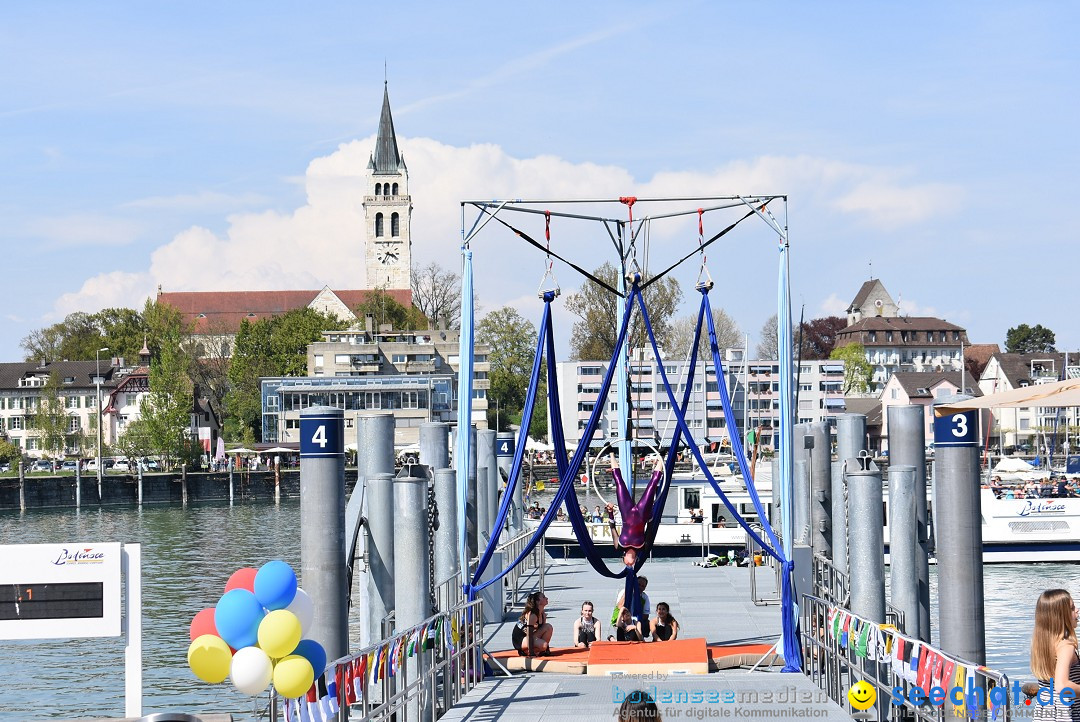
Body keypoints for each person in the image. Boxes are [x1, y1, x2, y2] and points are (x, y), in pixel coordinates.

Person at [604, 454, 665, 567]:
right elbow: (650, 528)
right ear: (636, 559)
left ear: (624, 558)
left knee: (619, 483)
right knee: (653, 485)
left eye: (627, 564)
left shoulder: (619, 545)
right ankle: (662, 456)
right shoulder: (643, 547)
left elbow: (612, 527)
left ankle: (611, 453)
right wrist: (650, 514)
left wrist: (611, 512)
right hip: (642, 514)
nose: (630, 563)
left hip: (626, 512)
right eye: (632, 564)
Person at [1030, 588, 1080, 721]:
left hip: (1045, 710)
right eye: (1072, 608)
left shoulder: (1042, 644)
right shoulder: (1065, 645)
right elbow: (1061, 685)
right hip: (1066, 711)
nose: (1077, 610)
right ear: (1060, 616)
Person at [511, 591, 553, 657]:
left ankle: (541, 651)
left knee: (548, 627)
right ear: (538, 602)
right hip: (520, 639)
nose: (547, 598)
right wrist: (531, 653)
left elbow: (542, 631)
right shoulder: (532, 615)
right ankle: (526, 651)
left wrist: (547, 649)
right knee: (544, 645)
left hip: (529, 636)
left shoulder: (543, 614)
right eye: (544, 597)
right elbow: (529, 635)